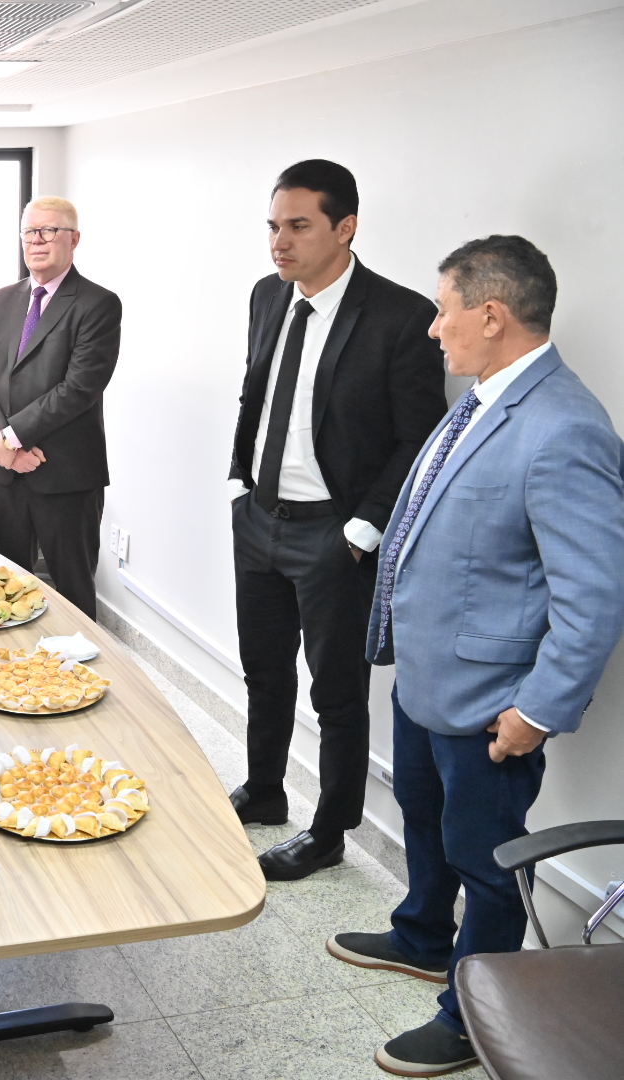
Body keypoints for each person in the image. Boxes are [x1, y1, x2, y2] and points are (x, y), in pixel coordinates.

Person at [331, 236, 624, 1077]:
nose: (433, 328)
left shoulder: (565, 427)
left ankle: (473, 1017)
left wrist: (536, 711)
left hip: (493, 704)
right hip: (428, 679)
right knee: (423, 818)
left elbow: (594, 596)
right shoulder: (479, 402)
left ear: (491, 316)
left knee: (486, 862)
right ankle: (423, 935)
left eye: (443, 310)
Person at [226, 160, 447, 881]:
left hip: (335, 532)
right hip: (259, 516)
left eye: (298, 226)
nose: (278, 242)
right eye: (272, 226)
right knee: (264, 670)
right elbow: (256, 394)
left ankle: (328, 833)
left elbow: (419, 437)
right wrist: (240, 482)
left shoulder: (401, 317)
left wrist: (362, 530)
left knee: (337, 693)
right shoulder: (267, 295)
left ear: (345, 227)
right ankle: (265, 789)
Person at [0, 196, 120, 620]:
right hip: (4, 475)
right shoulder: (2, 300)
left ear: (74, 239)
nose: (37, 240)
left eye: (48, 230)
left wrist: (10, 438)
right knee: (2, 595)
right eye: (29, 232)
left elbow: (79, 388)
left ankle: (77, 663)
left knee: (73, 594)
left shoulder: (98, 304)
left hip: (66, 477)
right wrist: (3, 444)